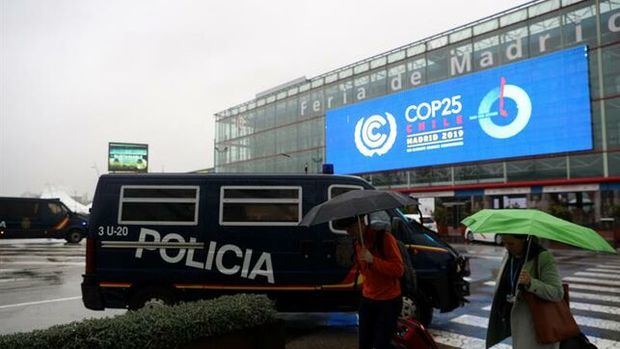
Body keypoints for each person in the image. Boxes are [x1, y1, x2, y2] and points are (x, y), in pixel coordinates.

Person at [334, 216, 404, 349]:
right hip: (368, 300)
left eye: (351, 227)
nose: (349, 232)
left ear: (361, 222)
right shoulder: (358, 244)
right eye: (346, 229)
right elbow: (366, 274)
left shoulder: (385, 239)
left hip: (388, 301)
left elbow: (398, 269)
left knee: (381, 344)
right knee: (364, 343)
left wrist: (373, 260)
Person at [486, 234, 564, 349]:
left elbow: (557, 293)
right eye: (504, 243)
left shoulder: (542, 257)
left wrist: (531, 283)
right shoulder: (509, 256)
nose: (507, 247)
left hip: (537, 325)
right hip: (516, 322)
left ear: (524, 239)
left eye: (511, 243)